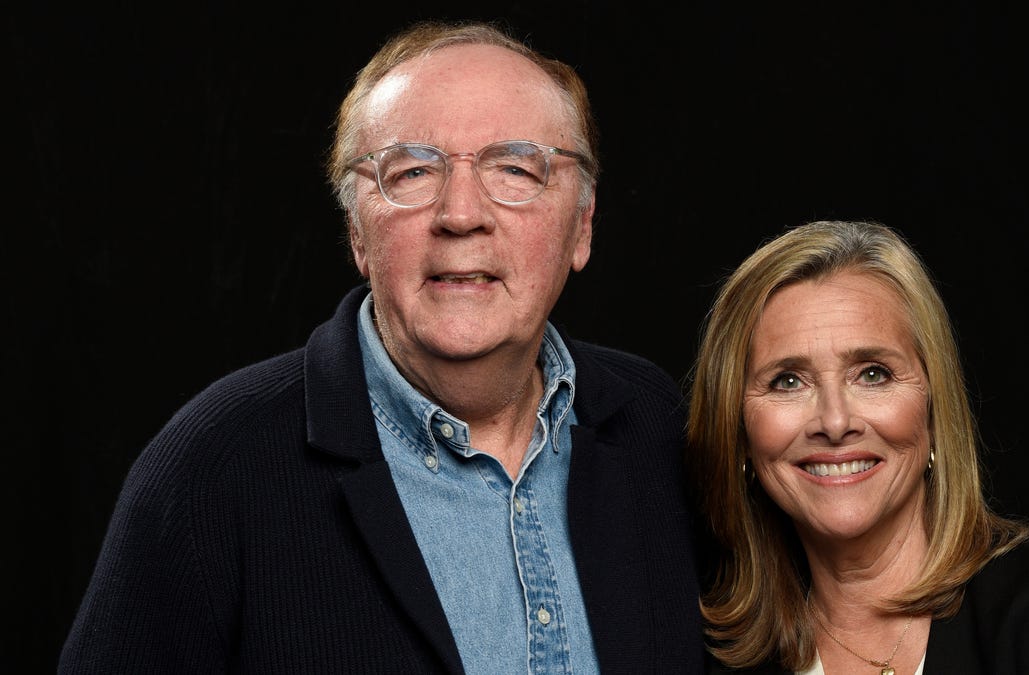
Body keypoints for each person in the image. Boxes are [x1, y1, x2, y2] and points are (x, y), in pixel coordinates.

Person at [60, 20, 704, 674]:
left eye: (514, 167)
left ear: (582, 225)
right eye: (413, 171)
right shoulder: (214, 468)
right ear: (357, 233)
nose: (461, 213)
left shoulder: (656, 427)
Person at [685, 220, 1029, 674]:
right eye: (787, 381)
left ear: (933, 405)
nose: (834, 422)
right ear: (740, 431)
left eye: (873, 374)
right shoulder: (701, 652)